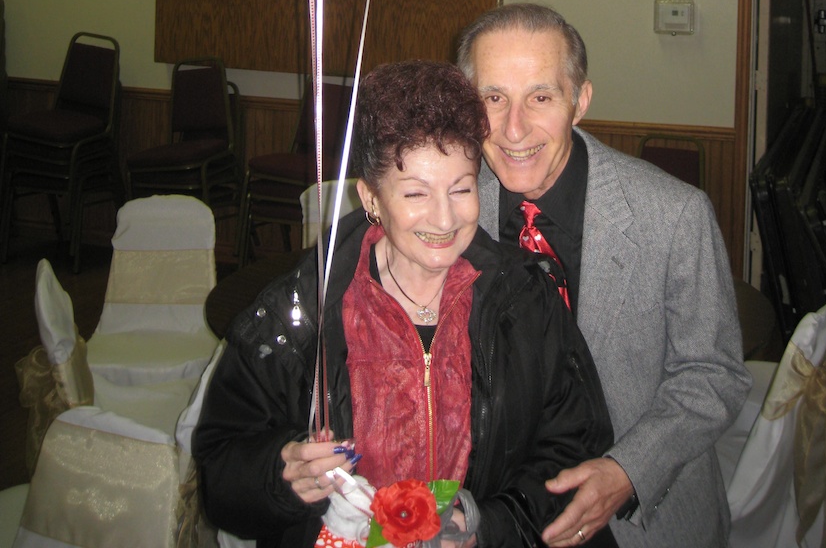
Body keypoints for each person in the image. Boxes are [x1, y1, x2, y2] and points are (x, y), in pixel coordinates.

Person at [194, 60, 616, 548]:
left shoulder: (524, 299)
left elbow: (575, 444)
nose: (444, 217)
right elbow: (220, 467)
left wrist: (488, 523)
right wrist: (279, 475)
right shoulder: (301, 314)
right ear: (370, 197)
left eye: (461, 189)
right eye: (416, 192)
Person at [456, 4, 751, 548]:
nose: (514, 127)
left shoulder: (673, 215)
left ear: (580, 101)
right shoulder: (451, 209)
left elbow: (714, 372)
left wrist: (626, 472)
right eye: (493, 99)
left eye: (541, 97)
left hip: (639, 521)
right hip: (496, 515)